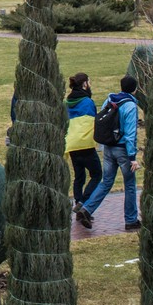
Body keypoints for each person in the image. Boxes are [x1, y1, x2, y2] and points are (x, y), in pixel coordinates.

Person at [76, 74, 141, 231]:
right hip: (123, 150)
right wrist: (132, 157)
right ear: (134, 89)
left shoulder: (110, 99)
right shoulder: (131, 106)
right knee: (130, 185)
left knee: (106, 182)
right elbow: (130, 134)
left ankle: (86, 209)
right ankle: (131, 220)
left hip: (108, 147)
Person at [65, 73, 103, 211]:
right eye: (89, 82)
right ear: (85, 84)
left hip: (72, 144)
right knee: (97, 174)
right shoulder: (87, 102)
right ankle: (83, 202)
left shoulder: (67, 103)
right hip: (85, 144)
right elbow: (93, 122)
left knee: (79, 176)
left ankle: (77, 201)